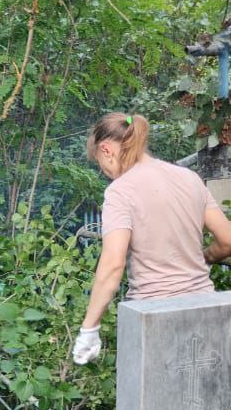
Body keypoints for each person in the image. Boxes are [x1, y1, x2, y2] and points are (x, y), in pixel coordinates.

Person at [73, 111, 231, 364]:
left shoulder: (120, 192)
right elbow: (228, 240)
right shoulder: (189, 178)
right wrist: (205, 258)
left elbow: (113, 265)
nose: (105, 172)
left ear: (106, 150)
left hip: (155, 319)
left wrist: (89, 329)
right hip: (206, 310)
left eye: (100, 164)